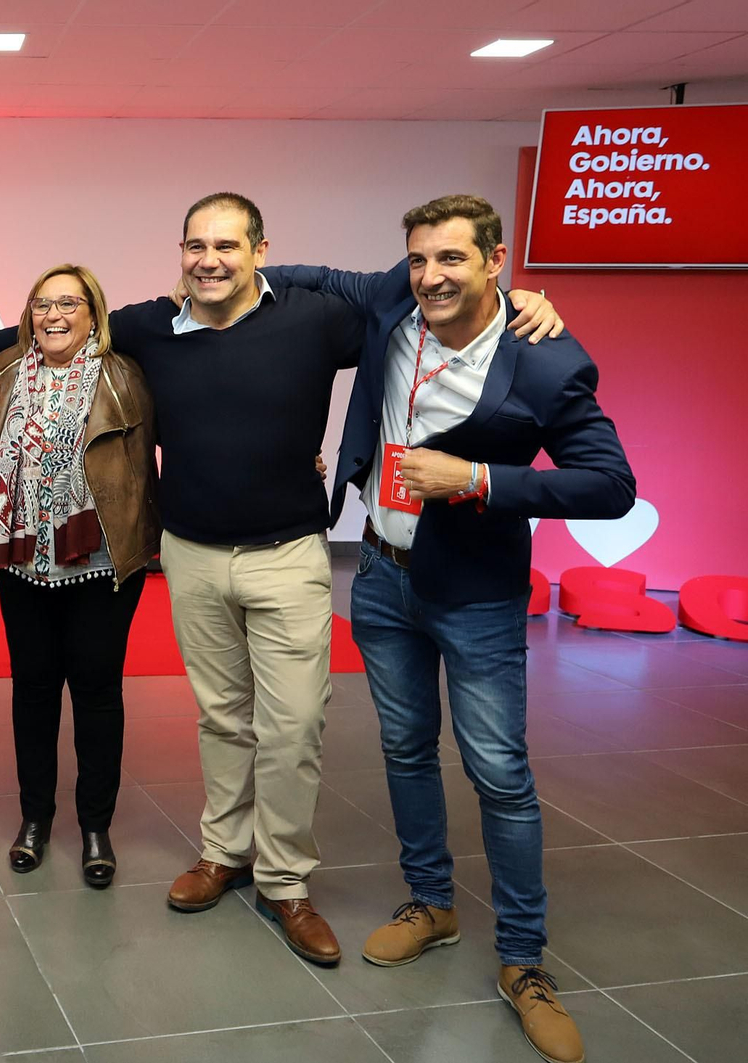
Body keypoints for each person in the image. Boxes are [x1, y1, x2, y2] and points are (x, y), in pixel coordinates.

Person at [0, 192, 561, 966]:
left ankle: (287, 882)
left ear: (261, 250)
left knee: (294, 726)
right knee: (222, 719)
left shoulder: (315, 318)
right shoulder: (152, 326)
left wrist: (521, 299)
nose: (209, 260)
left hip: (289, 553)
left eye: (229, 246)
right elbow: (65, 321)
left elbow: (410, 291)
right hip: (191, 556)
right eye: (196, 245)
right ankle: (224, 853)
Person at [267, 194, 633, 1063]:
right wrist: (228, 275)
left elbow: (609, 482)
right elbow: (312, 275)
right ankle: (430, 904)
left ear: (496, 261)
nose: (431, 276)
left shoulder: (543, 358)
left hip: (474, 591)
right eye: (421, 259)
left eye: (452, 260)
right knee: (402, 747)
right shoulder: (397, 300)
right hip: (384, 579)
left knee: (499, 772)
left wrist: (479, 476)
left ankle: (524, 960)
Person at [0, 264, 158, 889]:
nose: (53, 317)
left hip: (101, 565)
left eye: (68, 305)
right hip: (21, 563)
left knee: (98, 693)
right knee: (32, 692)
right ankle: (35, 819)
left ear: (93, 314)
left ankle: (95, 826)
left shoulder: (126, 375)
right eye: (41, 305)